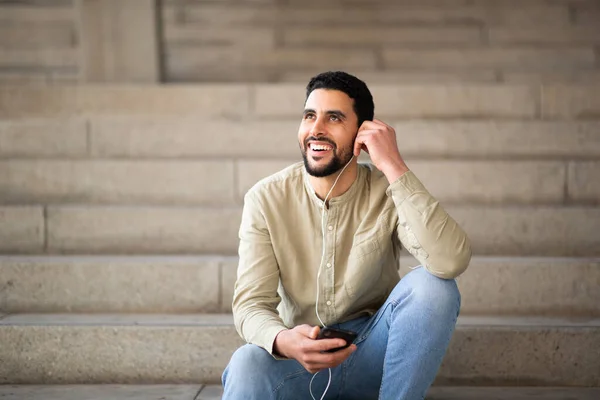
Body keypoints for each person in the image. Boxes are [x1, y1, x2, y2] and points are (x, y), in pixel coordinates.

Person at [221, 71, 472, 400]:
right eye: (310, 116)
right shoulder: (265, 199)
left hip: (373, 356)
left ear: (362, 133)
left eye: (334, 118)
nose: (316, 129)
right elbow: (251, 305)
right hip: (300, 366)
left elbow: (449, 260)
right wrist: (284, 340)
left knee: (435, 287)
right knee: (246, 363)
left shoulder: (387, 192)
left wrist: (393, 164)